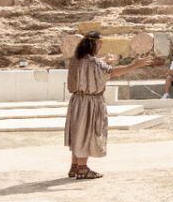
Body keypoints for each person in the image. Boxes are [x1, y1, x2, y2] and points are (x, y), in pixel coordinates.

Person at [66, 31, 156, 179]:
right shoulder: (94, 63)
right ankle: (82, 168)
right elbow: (112, 72)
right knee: (87, 133)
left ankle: (74, 166)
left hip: (76, 101)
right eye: (100, 43)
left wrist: (104, 59)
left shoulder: (76, 59)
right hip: (90, 102)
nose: (101, 46)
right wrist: (134, 65)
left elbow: (90, 64)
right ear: (94, 44)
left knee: (77, 133)